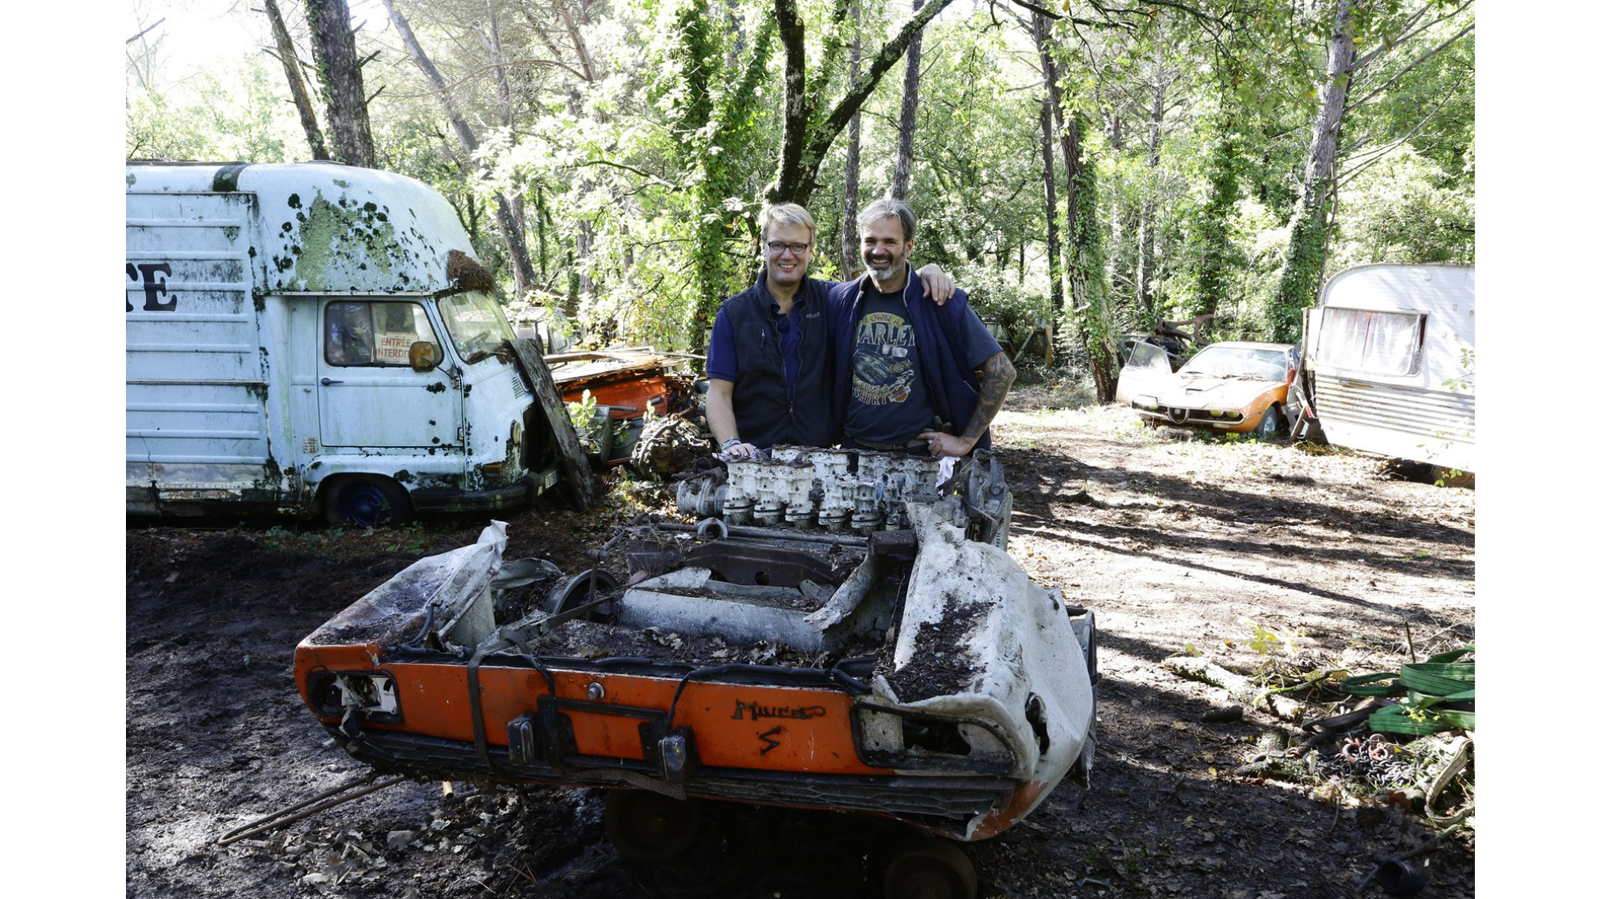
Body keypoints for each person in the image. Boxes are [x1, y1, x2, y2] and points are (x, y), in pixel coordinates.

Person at [706, 204, 952, 456]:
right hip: (753, 457)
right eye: (777, 245)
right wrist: (731, 443)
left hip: (819, 459)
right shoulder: (734, 314)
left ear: (811, 250)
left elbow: (886, 280)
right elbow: (719, 394)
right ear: (764, 247)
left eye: (798, 246)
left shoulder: (833, 300)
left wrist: (928, 271)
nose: (787, 255)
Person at [829, 198, 1016, 459]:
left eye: (889, 242)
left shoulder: (941, 302)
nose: (878, 250)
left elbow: (1002, 372)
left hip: (920, 459)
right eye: (870, 241)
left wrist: (965, 441)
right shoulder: (840, 300)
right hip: (852, 455)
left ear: (909, 246)